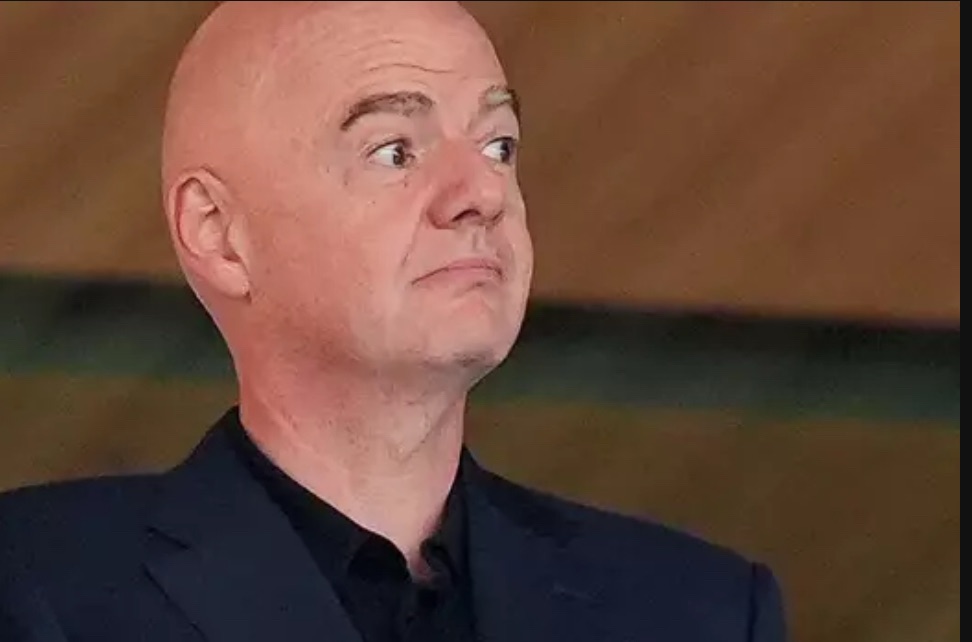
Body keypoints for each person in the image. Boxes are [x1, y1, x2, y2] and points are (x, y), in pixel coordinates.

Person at [0, 2, 788, 640]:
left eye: (499, 145)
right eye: (395, 152)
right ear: (219, 234)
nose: (482, 193)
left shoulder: (699, 611)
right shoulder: (37, 585)